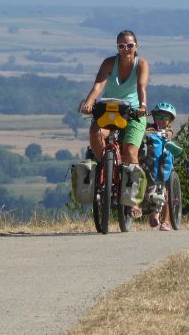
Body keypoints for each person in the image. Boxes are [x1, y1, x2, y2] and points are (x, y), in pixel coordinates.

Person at [77, 30, 149, 170]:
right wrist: (88, 103)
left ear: (136, 46)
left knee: (130, 152)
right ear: (117, 47)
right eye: (121, 46)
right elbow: (98, 86)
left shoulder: (141, 64)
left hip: (133, 112)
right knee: (95, 132)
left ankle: (133, 186)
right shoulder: (109, 63)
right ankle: (105, 167)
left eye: (129, 45)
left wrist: (143, 106)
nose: (126, 49)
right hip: (111, 110)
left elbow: (141, 86)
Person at [145, 101, 179, 230]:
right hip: (149, 162)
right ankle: (154, 213)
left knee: (165, 189)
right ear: (154, 118)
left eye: (165, 118)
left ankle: (165, 220)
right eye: (158, 117)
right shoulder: (149, 128)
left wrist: (163, 135)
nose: (161, 120)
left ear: (170, 120)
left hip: (163, 163)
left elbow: (169, 135)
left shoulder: (169, 131)